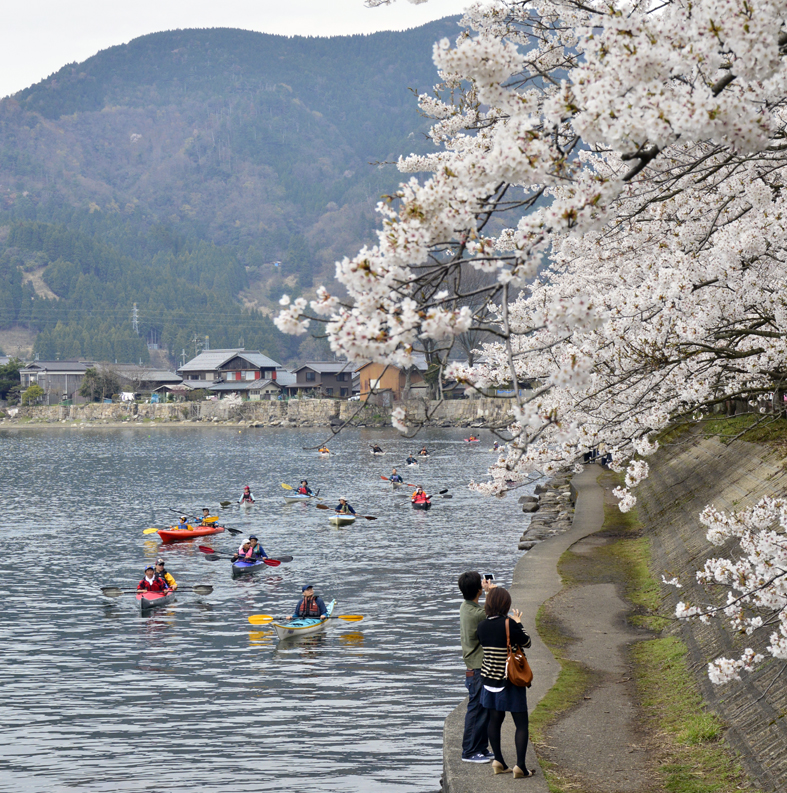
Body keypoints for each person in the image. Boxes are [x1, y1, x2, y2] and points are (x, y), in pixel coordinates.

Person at [476, 587, 535, 778]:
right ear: (506, 605)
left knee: (495, 721)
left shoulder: (482, 626)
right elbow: (527, 642)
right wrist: (519, 623)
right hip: (509, 681)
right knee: (521, 724)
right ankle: (520, 767)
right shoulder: (510, 624)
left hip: (488, 680)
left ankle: (499, 761)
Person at [458, 571, 496, 764]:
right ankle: (469, 751)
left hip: (474, 668)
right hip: (478, 669)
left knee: (484, 710)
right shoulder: (477, 614)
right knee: (477, 710)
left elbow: (485, 611)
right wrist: (491, 593)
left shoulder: (465, 607)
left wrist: (484, 592)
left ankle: (480, 748)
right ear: (479, 590)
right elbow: (493, 613)